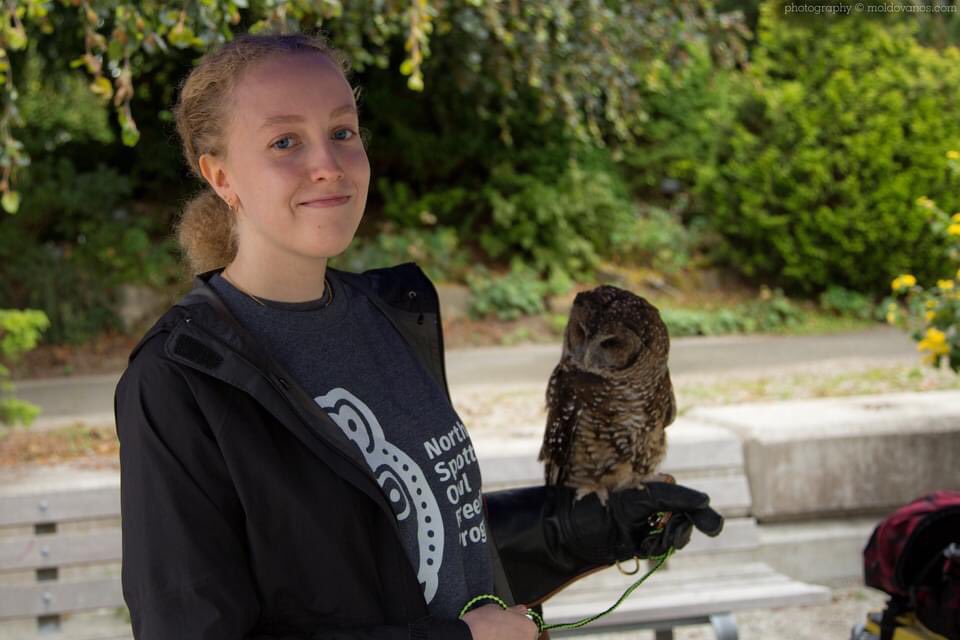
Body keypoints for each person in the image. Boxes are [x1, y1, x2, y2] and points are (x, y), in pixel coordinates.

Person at [114, 31, 723, 640]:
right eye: (284, 141)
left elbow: (433, 552)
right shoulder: (182, 379)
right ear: (221, 176)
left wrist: (584, 528)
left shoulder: (392, 316)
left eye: (342, 132)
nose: (328, 165)